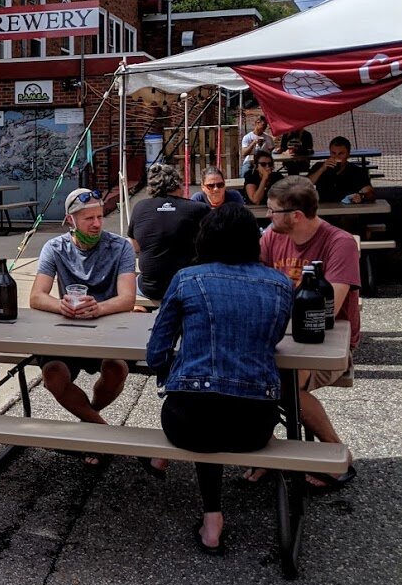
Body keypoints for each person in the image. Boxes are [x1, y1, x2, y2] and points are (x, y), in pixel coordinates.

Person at [145, 205, 294, 554]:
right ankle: (213, 515)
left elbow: (155, 354)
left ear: (206, 237)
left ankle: (212, 519)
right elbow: (269, 342)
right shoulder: (280, 284)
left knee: (202, 411)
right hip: (255, 427)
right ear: (253, 241)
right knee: (218, 406)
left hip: (190, 423)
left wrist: (178, 371)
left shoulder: (188, 278)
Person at [252, 175, 360, 490]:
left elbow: (328, 307)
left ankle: (338, 457)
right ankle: (267, 453)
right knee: (239, 375)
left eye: (272, 211)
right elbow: (250, 280)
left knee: (281, 383)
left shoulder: (338, 243)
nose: (267, 217)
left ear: (295, 216)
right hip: (279, 337)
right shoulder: (272, 236)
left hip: (327, 346)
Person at [28, 187, 136, 465]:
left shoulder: (120, 246)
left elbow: (127, 298)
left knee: (116, 369)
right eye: (88, 218)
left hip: (109, 328)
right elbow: (37, 296)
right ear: (70, 220)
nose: (97, 223)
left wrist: (99, 308)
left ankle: (90, 425)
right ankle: (101, 431)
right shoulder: (55, 247)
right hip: (69, 330)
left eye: (100, 216)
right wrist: (59, 305)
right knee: (53, 376)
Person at [127, 163, 204, 301]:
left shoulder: (140, 207)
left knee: (135, 284)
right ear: (178, 185)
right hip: (188, 288)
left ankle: (140, 308)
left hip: (151, 288)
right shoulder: (197, 209)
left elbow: (135, 246)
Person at [308, 136, 375, 204]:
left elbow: (371, 194)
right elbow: (305, 185)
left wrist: (362, 196)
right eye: (333, 153)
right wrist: (322, 169)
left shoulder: (357, 171)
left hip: (349, 211)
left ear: (348, 155)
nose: (336, 157)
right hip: (325, 211)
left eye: (341, 153)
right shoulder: (319, 166)